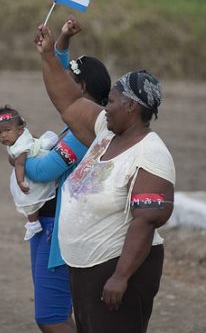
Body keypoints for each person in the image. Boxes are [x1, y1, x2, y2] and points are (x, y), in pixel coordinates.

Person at [34, 24, 175, 333]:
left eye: (111, 101)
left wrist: (121, 276)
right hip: (86, 269)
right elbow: (69, 102)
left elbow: (146, 221)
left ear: (132, 107)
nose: (105, 106)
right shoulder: (106, 132)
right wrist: (48, 56)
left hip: (118, 271)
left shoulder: (151, 153)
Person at [25, 17, 112, 332]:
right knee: (59, 312)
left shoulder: (82, 130)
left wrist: (21, 155)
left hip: (60, 230)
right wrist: (61, 40)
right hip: (53, 225)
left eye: (68, 79)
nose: (58, 82)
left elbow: (44, 170)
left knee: (51, 317)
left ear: (82, 87)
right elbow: (58, 73)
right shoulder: (90, 117)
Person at [0, 105, 58, 240]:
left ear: (20, 130)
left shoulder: (21, 146)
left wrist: (20, 181)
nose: (3, 135)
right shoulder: (18, 138)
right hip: (30, 162)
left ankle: (33, 223)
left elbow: (20, 163)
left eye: (7, 130)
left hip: (31, 168)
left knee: (28, 198)